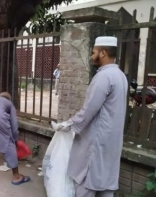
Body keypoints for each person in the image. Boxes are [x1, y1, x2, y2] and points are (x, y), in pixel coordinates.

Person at [52, 36, 127, 197]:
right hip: (111, 143)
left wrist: (67, 125)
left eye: (93, 52)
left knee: (86, 183)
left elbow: (88, 111)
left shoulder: (103, 77)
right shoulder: (120, 76)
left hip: (96, 142)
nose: (91, 56)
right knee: (106, 185)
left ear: (103, 53)